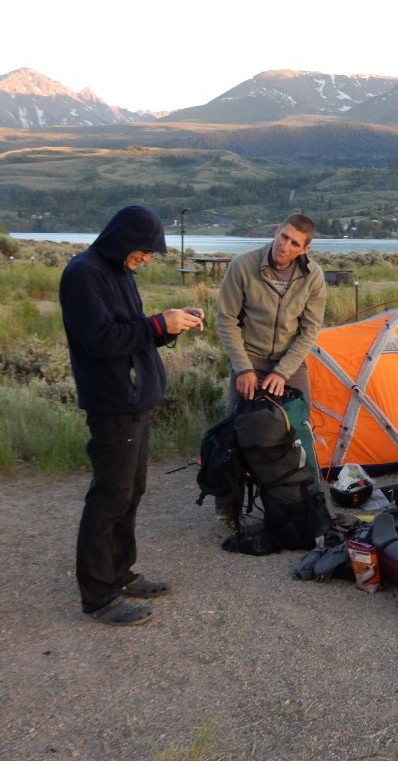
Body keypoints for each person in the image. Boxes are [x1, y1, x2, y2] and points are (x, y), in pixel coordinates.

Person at [60, 204, 206, 626]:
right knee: (109, 497)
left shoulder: (119, 273)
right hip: (111, 403)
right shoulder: (84, 273)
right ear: (123, 240)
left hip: (134, 399)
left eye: (150, 253)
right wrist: (158, 325)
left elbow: (129, 331)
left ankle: (120, 572)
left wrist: (167, 327)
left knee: (130, 491)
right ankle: (99, 596)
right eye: (143, 251)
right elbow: (99, 340)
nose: (146, 259)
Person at [214, 213, 326, 528]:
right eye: (283, 237)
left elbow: (308, 331)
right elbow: (226, 320)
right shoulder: (243, 266)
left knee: (300, 431)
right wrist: (243, 368)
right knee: (236, 433)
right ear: (276, 232)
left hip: (290, 364)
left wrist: (282, 372)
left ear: (305, 249)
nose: (285, 246)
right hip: (249, 359)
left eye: (294, 243)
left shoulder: (313, 277)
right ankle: (227, 507)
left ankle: (304, 502)